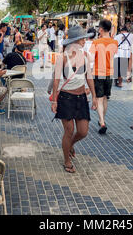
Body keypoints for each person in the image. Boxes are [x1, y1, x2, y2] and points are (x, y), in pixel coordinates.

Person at [51, 26, 97, 174]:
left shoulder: (84, 56)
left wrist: (94, 96)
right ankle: (66, 160)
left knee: (83, 131)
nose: (85, 41)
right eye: (83, 38)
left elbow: (89, 77)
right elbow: (56, 80)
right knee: (69, 130)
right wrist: (54, 101)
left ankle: (69, 145)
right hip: (66, 97)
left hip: (81, 97)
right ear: (75, 41)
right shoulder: (62, 57)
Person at [89, 20, 118, 135]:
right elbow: (113, 55)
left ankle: (102, 122)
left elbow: (91, 59)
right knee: (105, 98)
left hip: (98, 73)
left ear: (100, 29)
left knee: (99, 99)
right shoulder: (114, 42)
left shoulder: (96, 43)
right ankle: (102, 119)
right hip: (109, 73)